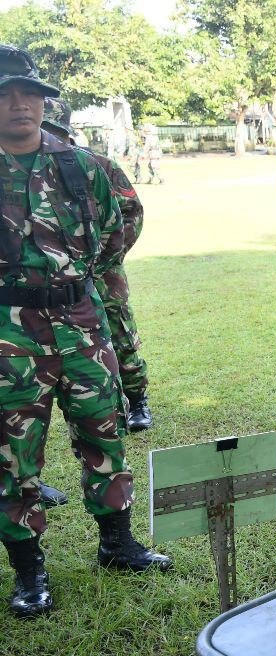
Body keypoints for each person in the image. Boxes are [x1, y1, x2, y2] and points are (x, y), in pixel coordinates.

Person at [0, 45, 170, 618]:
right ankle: (28, 570)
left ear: (43, 102)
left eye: (28, 93)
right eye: (5, 94)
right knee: (12, 450)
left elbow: (123, 223)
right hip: (8, 330)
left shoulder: (81, 165)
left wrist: (83, 277)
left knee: (104, 429)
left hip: (80, 320)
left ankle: (117, 544)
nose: (19, 104)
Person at [42, 98, 153, 433]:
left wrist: (104, 260)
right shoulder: (21, 171)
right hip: (50, 285)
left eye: (52, 131)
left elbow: (130, 212)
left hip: (103, 275)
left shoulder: (97, 165)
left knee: (120, 335)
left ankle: (137, 401)